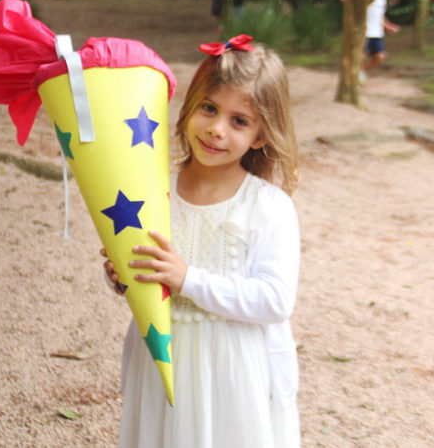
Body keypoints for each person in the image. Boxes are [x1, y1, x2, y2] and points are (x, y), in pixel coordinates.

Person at [103, 34, 302, 447]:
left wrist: (189, 279)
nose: (215, 129)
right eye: (209, 108)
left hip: (231, 371)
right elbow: (147, 274)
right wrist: (122, 274)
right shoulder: (153, 189)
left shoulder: (268, 206)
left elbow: (275, 300)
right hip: (161, 357)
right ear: (189, 106)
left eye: (239, 121)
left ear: (261, 136)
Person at [362, 0, 400, 83]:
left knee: (380, 57)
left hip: (377, 33)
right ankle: (355, 74)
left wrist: (389, 26)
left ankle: (362, 71)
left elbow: (381, 17)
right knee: (361, 56)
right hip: (365, 33)